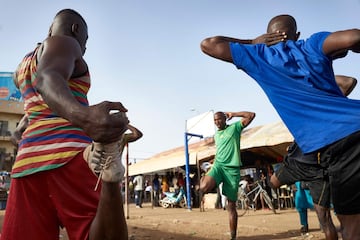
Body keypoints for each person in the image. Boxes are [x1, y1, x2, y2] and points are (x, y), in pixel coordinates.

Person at [200, 14, 360, 239]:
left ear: (267, 35)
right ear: (297, 35)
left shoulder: (260, 55)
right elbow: (354, 37)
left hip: (333, 143)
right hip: (350, 127)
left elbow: (208, 44)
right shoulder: (312, 44)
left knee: (351, 227)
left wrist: (252, 42)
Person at [2, 9, 131, 240]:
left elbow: (36, 98)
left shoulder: (22, 67)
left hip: (28, 164)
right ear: (75, 29)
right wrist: (85, 117)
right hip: (71, 156)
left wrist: (23, 126)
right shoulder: (66, 43)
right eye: (86, 40)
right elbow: (47, 78)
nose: (85, 47)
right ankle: (110, 176)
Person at [200, 111, 255, 240]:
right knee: (203, 187)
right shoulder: (217, 135)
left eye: (219, 119)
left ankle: (233, 236)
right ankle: (212, 182)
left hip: (232, 170)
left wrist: (234, 114)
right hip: (218, 167)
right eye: (215, 120)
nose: (217, 122)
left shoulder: (235, 128)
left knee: (231, 206)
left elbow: (251, 115)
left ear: (225, 119)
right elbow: (221, 150)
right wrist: (213, 162)